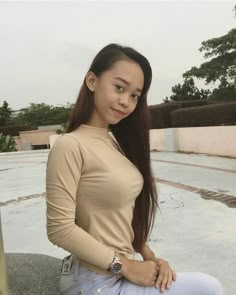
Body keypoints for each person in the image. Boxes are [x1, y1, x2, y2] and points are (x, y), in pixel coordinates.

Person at [46, 43, 223, 295]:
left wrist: (149, 257)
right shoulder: (70, 145)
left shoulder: (113, 142)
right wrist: (126, 266)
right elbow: (59, 229)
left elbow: (119, 215)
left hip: (116, 271)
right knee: (209, 288)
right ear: (92, 81)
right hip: (94, 280)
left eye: (134, 95)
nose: (126, 102)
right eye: (119, 87)